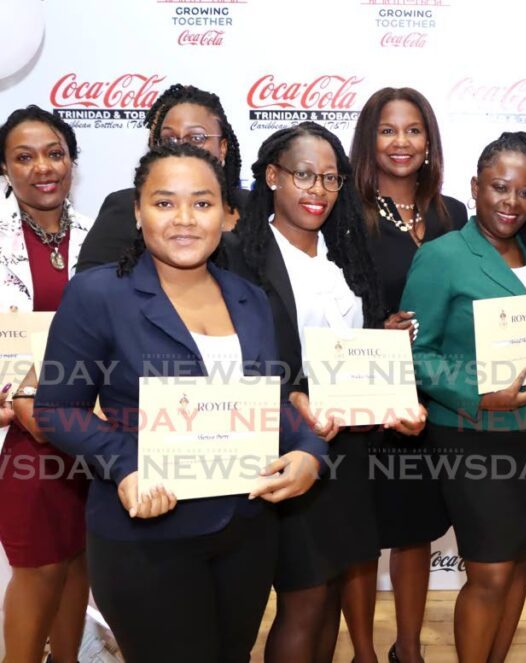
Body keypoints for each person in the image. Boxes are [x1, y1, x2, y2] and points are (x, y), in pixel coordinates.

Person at [33, 143, 325, 663]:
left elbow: (268, 402)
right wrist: (124, 466)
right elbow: (58, 408)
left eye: (203, 203)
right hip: (146, 535)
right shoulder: (98, 295)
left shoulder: (250, 299)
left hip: (246, 531)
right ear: (138, 212)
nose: (185, 219)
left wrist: (307, 450)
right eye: (165, 203)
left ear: (228, 215)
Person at [220, 120, 423, 663]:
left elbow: (352, 351)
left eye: (331, 180)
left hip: (349, 451)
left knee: (333, 591)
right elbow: (230, 358)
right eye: (304, 175)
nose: (318, 191)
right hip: (289, 447)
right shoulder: (239, 256)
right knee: (304, 600)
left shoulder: (344, 260)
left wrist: (391, 376)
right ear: (272, 176)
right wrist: (290, 399)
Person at [400, 131, 526, 663]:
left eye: (524, 193)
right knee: (491, 570)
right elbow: (416, 353)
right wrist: (480, 392)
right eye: (500, 188)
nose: (512, 203)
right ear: (474, 188)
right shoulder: (441, 256)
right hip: (472, 434)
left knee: (518, 561)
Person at [349, 86, 467, 663]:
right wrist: (377, 329)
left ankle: (410, 649)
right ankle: (366, 652)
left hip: (435, 396)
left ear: (430, 140)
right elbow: (329, 303)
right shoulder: (346, 213)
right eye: (388, 130)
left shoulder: (455, 215)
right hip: (366, 394)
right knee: (360, 535)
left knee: (416, 528)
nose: (402, 142)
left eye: (414, 130)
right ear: (369, 140)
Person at [0, 105, 92, 663]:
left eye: (54, 153)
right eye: (24, 157)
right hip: (26, 437)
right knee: (39, 566)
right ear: (4, 168)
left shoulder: (102, 235)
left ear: (72, 161)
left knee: (81, 560)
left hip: (95, 428)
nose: (43, 168)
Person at [76, 84, 247, 270]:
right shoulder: (123, 207)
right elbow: (91, 288)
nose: (182, 146)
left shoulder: (253, 207)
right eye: (169, 139)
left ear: (222, 149)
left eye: (197, 137)